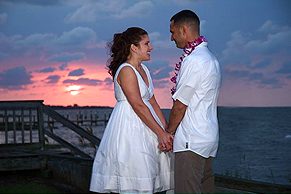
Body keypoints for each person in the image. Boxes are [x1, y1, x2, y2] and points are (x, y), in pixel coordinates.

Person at [90, 27, 173, 194]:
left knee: (149, 173)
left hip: (148, 124)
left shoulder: (144, 69)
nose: (151, 48)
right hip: (131, 126)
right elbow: (137, 104)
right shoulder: (126, 70)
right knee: (135, 173)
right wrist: (160, 133)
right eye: (147, 43)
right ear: (134, 47)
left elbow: (153, 102)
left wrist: (166, 131)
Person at [166, 10, 221, 193]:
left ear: (183, 30)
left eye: (173, 32)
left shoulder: (194, 60)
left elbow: (180, 105)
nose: (171, 38)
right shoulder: (211, 59)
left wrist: (169, 133)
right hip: (208, 138)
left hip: (191, 141)